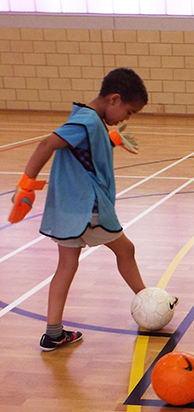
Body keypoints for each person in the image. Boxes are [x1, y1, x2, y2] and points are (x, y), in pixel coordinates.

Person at [8, 68, 149, 351]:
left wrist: (112, 140)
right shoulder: (87, 121)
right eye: (129, 111)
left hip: (69, 209)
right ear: (114, 99)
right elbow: (47, 143)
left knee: (66, 265)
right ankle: (150, 302)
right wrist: (26, 184)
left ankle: (53, 333)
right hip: (88, 208)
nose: (126, 118)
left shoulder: (90, 119)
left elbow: (82, 148)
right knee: (126, 250)